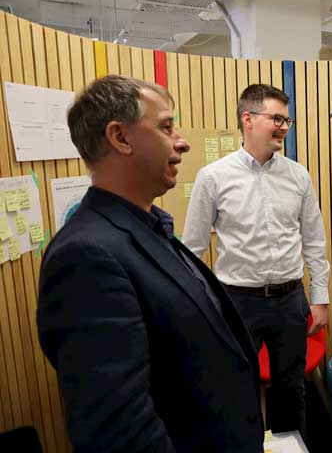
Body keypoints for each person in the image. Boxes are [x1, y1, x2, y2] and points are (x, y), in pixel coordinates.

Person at [37, 75, 264, 453]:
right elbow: (120, 431)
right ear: (120, 137)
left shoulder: (146, 227)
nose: (182, 141)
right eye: (165, 127)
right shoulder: (86, 257)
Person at [183, 83, 330, 437]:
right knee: (237, 389)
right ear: (247, 119)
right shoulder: (213, 177)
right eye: (275, 118)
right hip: (236, 303)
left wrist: (320, 298)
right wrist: (194, 308)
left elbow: (314, 240)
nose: (282, 126)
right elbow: (192, 249)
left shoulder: (298, 176)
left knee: (291, 389)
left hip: (290, 301)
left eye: (286, 120)